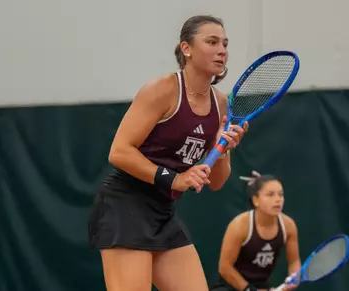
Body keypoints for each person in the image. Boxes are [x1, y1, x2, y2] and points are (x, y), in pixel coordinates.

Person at [87, 15, 249, 291]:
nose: (222, 50)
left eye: (224, 43)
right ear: (186, 48)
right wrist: (174, 179)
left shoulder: (221, 104)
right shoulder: (162, 90)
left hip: (163, 211)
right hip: (124, 205)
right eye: (211, 42)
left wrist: (222, 150)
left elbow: (218, 182)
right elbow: (119, 152)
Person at [211, 170, 301, 291]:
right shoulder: (240, 225)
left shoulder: (288, 226)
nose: (278, 199)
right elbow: (225, 268)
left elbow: (294, 262)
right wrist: (249, 289)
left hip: (262, 287)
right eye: (270, 194)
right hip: (230, 287)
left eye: (281, 194)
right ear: (256, 200)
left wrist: (293, 279)